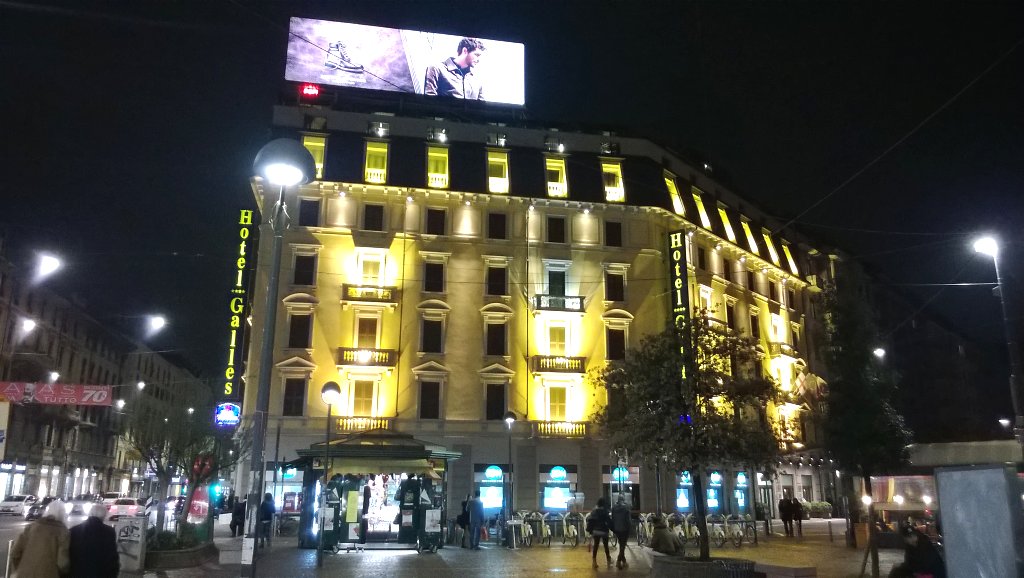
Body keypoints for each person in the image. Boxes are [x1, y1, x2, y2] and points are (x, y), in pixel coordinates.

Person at [11, 500, 70, 578]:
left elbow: (15, 553)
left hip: (24, 574)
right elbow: (62, 563)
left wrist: (21, 568)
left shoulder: (31, 527)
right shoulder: (63, 532)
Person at [69, 503, 120, 578]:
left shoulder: (74, 530)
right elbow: (112, 557)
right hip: (101, 573)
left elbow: (70, 553)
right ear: (104, 515)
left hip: (78, 572)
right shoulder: (109, 531)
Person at [587, 497, 613, 569]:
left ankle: (594, 561)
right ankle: (608, 559)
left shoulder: (594, 511)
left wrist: (590, 530)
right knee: (606, 546)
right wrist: (613, 528)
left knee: (596, 545)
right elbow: (608, 521)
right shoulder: (605, 511)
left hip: (596, 531)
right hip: (604, 531)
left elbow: (591, 521)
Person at [611, 496, 631, 569]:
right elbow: (628, 520)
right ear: (623, 500)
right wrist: (629, 528)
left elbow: (612, 518)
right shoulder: (626, 508)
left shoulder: (613, 508)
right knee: (623, 545)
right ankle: (618, 561)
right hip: (625, 529)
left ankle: (624, 561)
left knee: (621, 545)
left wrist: (614, 528)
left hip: (617, 529)